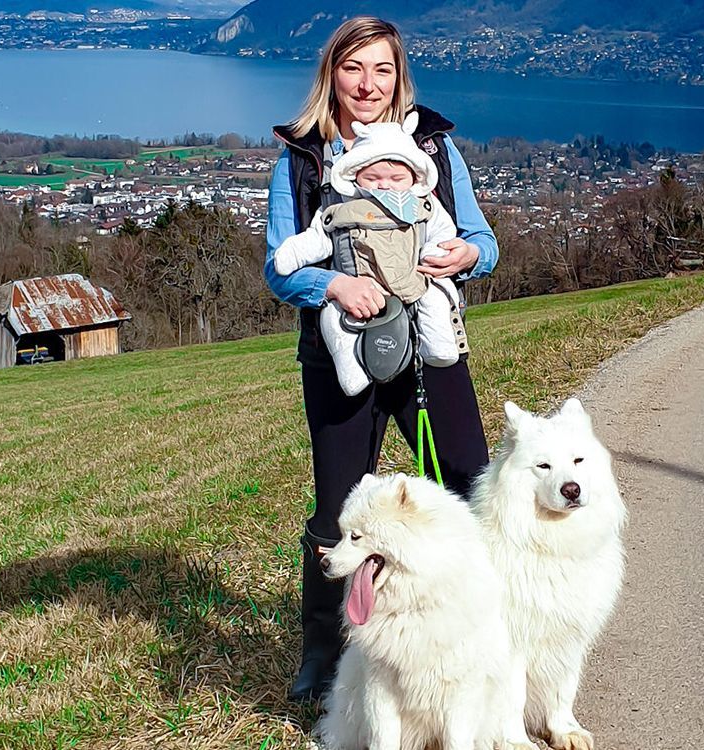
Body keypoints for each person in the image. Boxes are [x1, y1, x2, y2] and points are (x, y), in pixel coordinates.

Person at [264, 16, 499, 703]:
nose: (367, 85)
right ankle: (326, 652)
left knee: (467, 482)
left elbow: (483, 241)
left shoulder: (431, 147)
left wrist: (465, 255)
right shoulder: (302, 157)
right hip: (340, 347)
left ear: (400, 79)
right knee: (341, 508)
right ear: (330, 74)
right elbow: (280, 268)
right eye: (353, 68)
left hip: (430, 348)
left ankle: (477, 635)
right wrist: (334, 283)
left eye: (382, 70)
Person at [271, 116, 469, 396]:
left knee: (435, 297)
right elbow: (318, 238)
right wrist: (310, 267)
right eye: (372, 178)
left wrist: (450, 255)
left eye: (396, 178)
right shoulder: (343, 208)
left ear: (415, 176)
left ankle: (438, 347)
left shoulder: (423, 206)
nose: (384, 186)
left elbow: (445, 233)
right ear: (355, 175)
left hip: (414, 282)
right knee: (334, 316)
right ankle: (351, 366)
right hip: (359, 294)